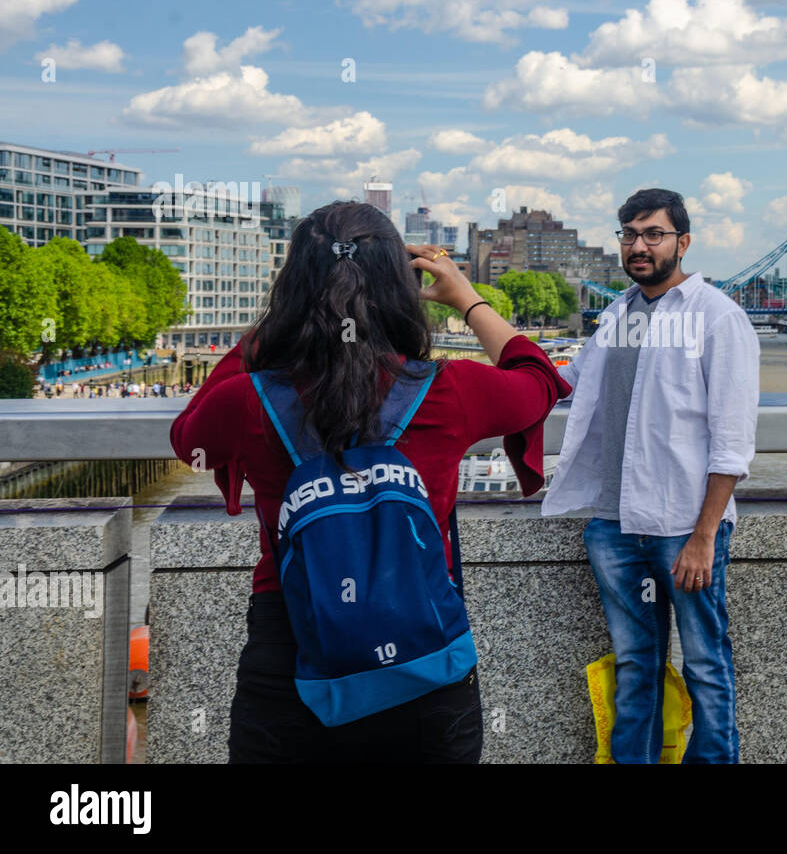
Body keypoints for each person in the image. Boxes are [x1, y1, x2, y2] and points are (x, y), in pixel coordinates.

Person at [170, 201, 570, 763]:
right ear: (399, 286)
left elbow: (189, 437)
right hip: (422, 656)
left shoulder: (246, 400)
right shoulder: (451, 389)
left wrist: (282, 321)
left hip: (291, 651)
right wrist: (467, 297)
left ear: (294, 285)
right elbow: (539, 378)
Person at [541, 188, 760, 764]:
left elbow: (732, 443)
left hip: (682, 527)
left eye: (653, 234)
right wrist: (469, 306)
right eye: (629, 234)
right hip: (613, 525)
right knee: (636, 663)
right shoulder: (615, 315)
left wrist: (704, 536)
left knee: (707, 661)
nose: (639, 246)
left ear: (682, 243)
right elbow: (561, 382)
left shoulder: (719, 317)